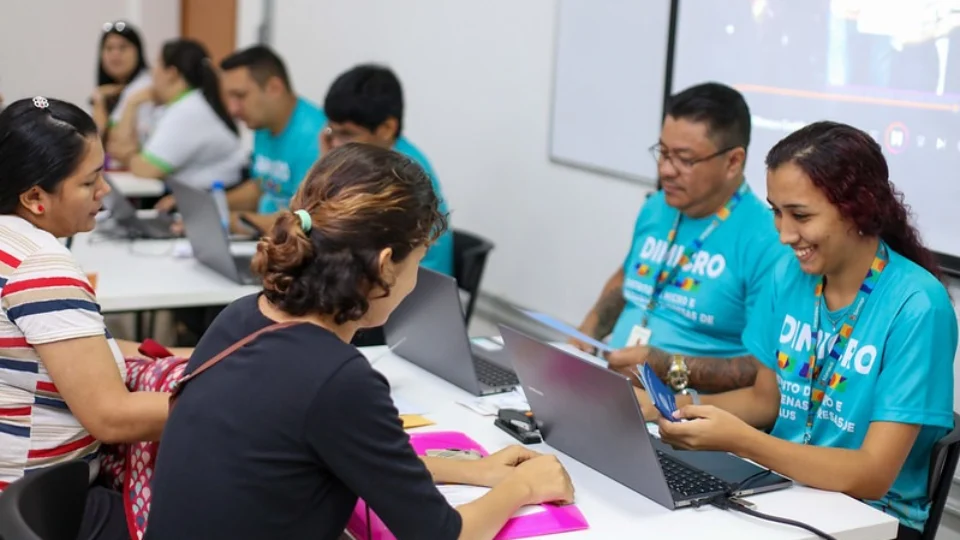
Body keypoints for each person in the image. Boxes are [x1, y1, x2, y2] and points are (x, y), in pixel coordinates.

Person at [145, 143, 575, 540]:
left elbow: (349, 456)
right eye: (418, 262)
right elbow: (443, 535)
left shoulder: (241, 314)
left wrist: (475, 472)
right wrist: (522, 487)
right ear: (386, 266)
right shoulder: (338, 379)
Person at [656, 121, 956, 540]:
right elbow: (764, 401)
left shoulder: (917, 305)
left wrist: (744, 442)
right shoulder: (789, 276)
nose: (783, 234)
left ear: (859, 208)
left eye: (800, 215)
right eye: (776, 212)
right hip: (784, 490)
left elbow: (872, 474)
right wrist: (672, 408)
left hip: (872, 518)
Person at [0, 97, 189, 539]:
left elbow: (79, 348)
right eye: (89, 182)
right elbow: (112, 416)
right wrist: (248, 405)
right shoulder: (40, 265)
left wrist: (203, 357)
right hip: (43, 502)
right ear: (35, 198)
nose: (104, 191)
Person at [575, 83, 787, 402]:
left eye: (685, 160)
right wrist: (585, 336)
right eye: (663, 152)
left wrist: (671, 367)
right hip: (613, 391)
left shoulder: (768, 240)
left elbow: (766, 371)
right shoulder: (657, 207)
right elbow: (628, 279)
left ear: (733, 162)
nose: (665, 170)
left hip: (688, 414)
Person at [320, 64, 454, 277]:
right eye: (331, 132)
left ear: (387, 129)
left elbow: (333, 234)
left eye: (347, 134)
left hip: (413, 290)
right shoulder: (374, 160)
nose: (336, 144)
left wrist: (326, 172)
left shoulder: (402, 175)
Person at [108, 38, 244, 199]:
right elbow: (116, 148)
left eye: (157, 64)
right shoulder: (179, 105)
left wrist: (129, 157)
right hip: (198, 197)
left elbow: (146, 169)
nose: (153, 73)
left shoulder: (188, 111)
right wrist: (132, 103)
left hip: (211, 200)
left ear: (171, 73)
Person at [218, 45, 326, 232]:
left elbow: (306, 219)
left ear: (274, 88)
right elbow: (261, 186)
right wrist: (213, 205)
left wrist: (233, 221)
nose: (232, 109)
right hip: (265, 240)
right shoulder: (262, 124)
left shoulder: (317, 137)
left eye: (240, 96)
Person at [90, 21, 153, 145]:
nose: (115, 54)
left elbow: (116, 144)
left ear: (138, 52)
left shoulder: (146, 87)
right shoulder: (107, 91)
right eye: (109, 48)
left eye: (123, 47)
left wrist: (98, 102)